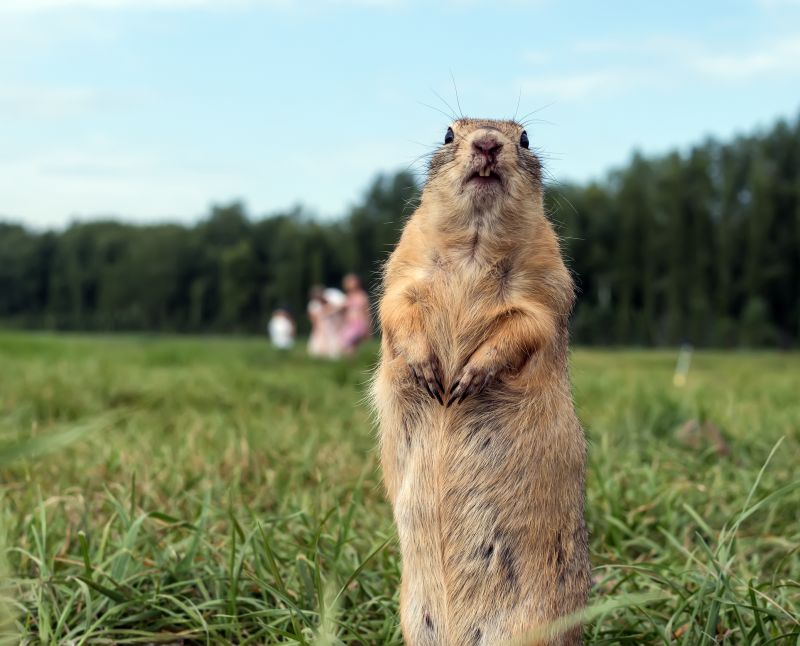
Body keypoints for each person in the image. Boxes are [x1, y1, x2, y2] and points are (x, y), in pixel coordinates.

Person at [307, 285, 346, 358]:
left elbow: (343, 307)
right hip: (323, 327)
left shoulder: (334, 296)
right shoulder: (313, 305)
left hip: (337, 325)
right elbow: (314, 320)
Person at [341, 273, 371, 354]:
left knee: (349, 342)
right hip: (349, 323)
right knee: (350, 346)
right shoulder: (348, 296)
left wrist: (368, 327)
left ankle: (352, 359)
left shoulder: (362, 296)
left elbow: (366, 312)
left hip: (359, 323)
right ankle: (353, 359)